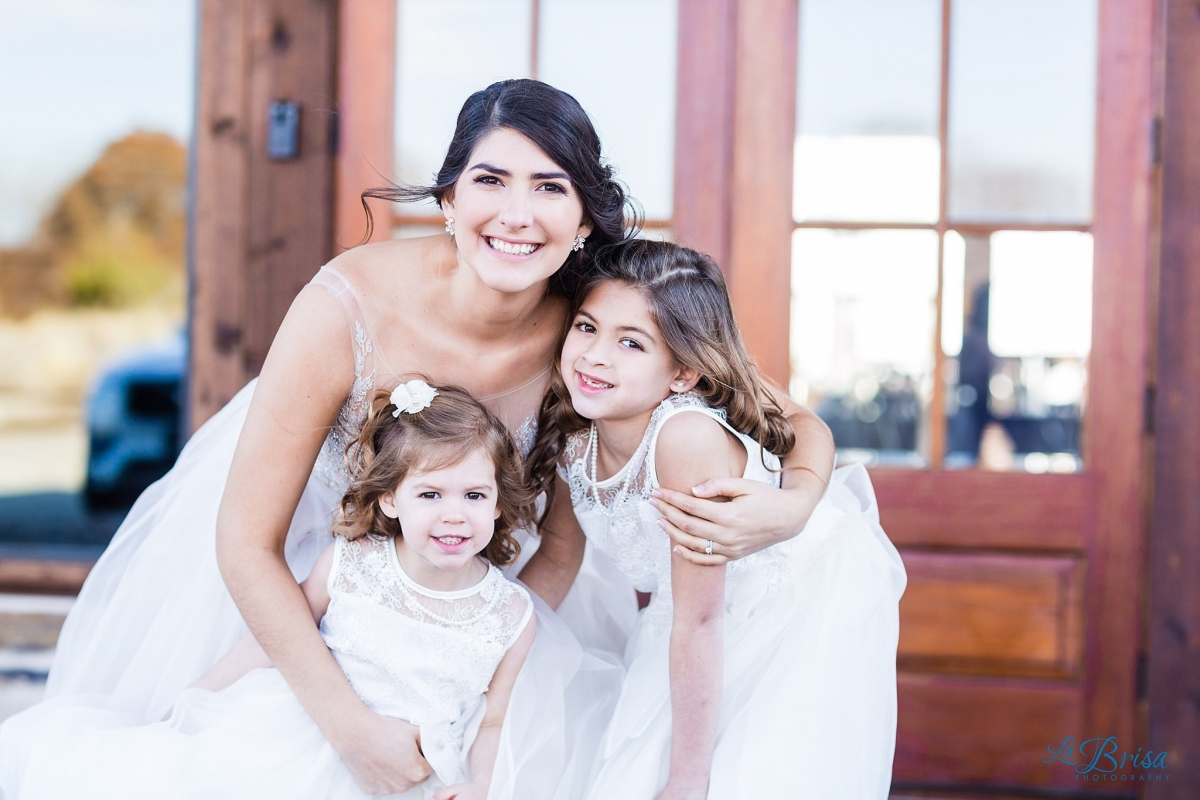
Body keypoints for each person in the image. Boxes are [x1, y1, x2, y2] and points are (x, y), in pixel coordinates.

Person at [26, 79, 835, 794]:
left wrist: (795, 502)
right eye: (489, 180)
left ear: (585, 216)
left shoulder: (592, 325)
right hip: (306, 584)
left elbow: (784, 418)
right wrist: (351, 726)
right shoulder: (345, 304)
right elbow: (245, 543)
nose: (517, 215)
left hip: (480, 584)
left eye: (549, 187)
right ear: (448, 199)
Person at [2, 383, 586, 799]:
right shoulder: (351, 567)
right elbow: (271, 641)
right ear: (390, 500)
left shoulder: (509, 614)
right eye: (430, 495)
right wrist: (189, 701)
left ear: (499, 502)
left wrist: (480, 783)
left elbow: (491, 721)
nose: (454, 516)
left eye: (474, 496)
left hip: (418, 770)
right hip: (295, 736)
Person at [523, 239, 907, 800]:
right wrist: (483, 639)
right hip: (692, 617)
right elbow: (558, 559)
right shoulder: (578, 433)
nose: (595, 355)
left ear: (682, 374)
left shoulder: (684, 440)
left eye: (631, 342)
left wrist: (687, 779)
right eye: (586, 327)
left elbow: (700, 624)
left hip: (787, 608)